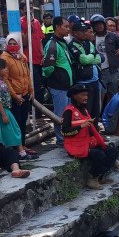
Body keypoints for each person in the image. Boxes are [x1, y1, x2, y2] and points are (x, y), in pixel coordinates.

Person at [62, 83, 117, 190]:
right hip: (75, 146)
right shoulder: (69, 111)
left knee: (112, 151)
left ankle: (100, 176)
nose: (86, 98)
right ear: (74, 96)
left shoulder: (85, 110)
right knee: (99, 155)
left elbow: (90, 129)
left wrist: (99, 138)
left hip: (87, 143)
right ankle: (92, 178)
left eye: (86, 95)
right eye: (83, 95)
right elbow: (64, 132)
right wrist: (81, 126)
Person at [1, 33, 37, 161]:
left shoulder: (22, 57)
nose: (12, 46)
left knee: (22, 122)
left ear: (19, 44)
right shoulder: (4, 58)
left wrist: (31, 90)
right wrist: (14, 95)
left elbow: (27, 75)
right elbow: (5, 79)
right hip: (14, 96)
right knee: (15, 123)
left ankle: (23, 145)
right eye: (10, 44)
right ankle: (17, 148)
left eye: (14, 43)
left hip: (25, 94)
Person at [42, 16, 73, 144]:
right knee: (59, 113)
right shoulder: (52, 44)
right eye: (65, 26)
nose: (68, 29)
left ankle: (66, 136)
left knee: (66, 113)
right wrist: (56, 79)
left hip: (65, 86)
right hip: (58, 85)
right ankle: (61, 139)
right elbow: (48, 67)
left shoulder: (62, 42)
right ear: (57, 27)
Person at [0, 58, 24, 157]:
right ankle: (16, 153)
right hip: (0, 111)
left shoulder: (1, 81)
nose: (6, 70)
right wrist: (3, 114)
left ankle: (18, 152)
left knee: (13, 130)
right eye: (4, 68)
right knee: (7, 132)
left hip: (5, 110)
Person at [69, 21, 103, 120]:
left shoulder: (88, 43)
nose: (85, 33)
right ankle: (87, 133)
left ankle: (95, 132)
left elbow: (100, 59)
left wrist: (89, 59)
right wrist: (92, 56)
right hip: (83, 83)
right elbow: (83, 60)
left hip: (95, 81)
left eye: (85, 31)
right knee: (86, 110)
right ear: (75, 33)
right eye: (82, 31)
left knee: (95, 110)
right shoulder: (72, 45)